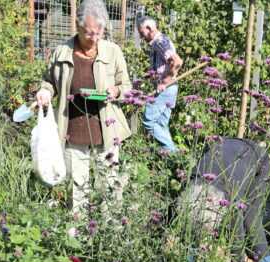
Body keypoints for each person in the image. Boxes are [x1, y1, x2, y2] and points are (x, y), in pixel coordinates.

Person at [36, 0, 132, 213]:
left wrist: (115, 92)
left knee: (109, 186)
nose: (95, 38)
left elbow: (126, 87)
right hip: (72, 131)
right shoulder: (61, 52)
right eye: (89, 33)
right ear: (78, 27)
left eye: (99, 32)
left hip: (106, 130)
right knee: (76, 189)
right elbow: (49, 82)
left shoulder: (113, 52)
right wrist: (45, 92)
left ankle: (111, 232)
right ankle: (77, 235)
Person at [179, 138, 270, 262]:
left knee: (252, 223)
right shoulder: (191, 188)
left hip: (255, 158)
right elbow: (187, 232)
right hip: (225, 152)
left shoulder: (230, 198)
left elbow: (236, 240)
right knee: (191, 231)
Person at [137, 15, 183, 154]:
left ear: (149, 28)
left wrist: (164, 82)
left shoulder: (159, 42)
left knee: (148, 122)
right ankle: (173, 161)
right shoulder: (160, 42)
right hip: (170, 89)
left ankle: (173, 152)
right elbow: (164, 65)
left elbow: (177, 62)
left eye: (141, 33)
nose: (141, 37)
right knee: (161, 125)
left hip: (166, 89)